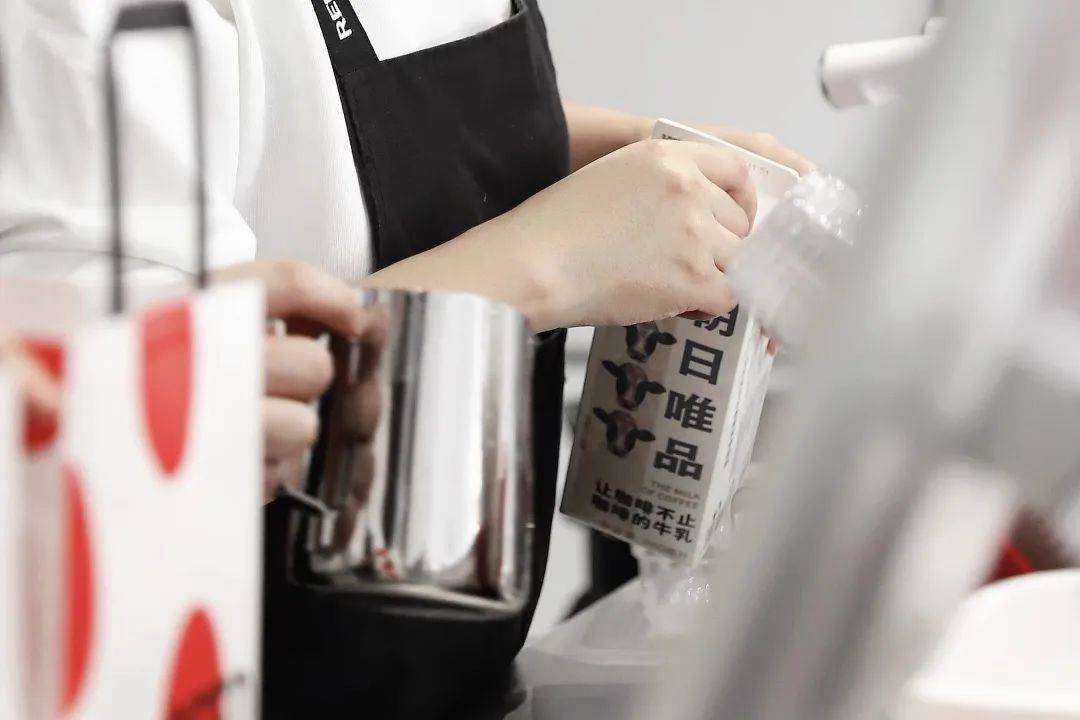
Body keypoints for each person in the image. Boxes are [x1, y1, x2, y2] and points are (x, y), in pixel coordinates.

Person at [0, 0, 809, 716]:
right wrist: (548, 262)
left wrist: (621, 160)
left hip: (458, 668)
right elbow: (121, 426)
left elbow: (310, 124)